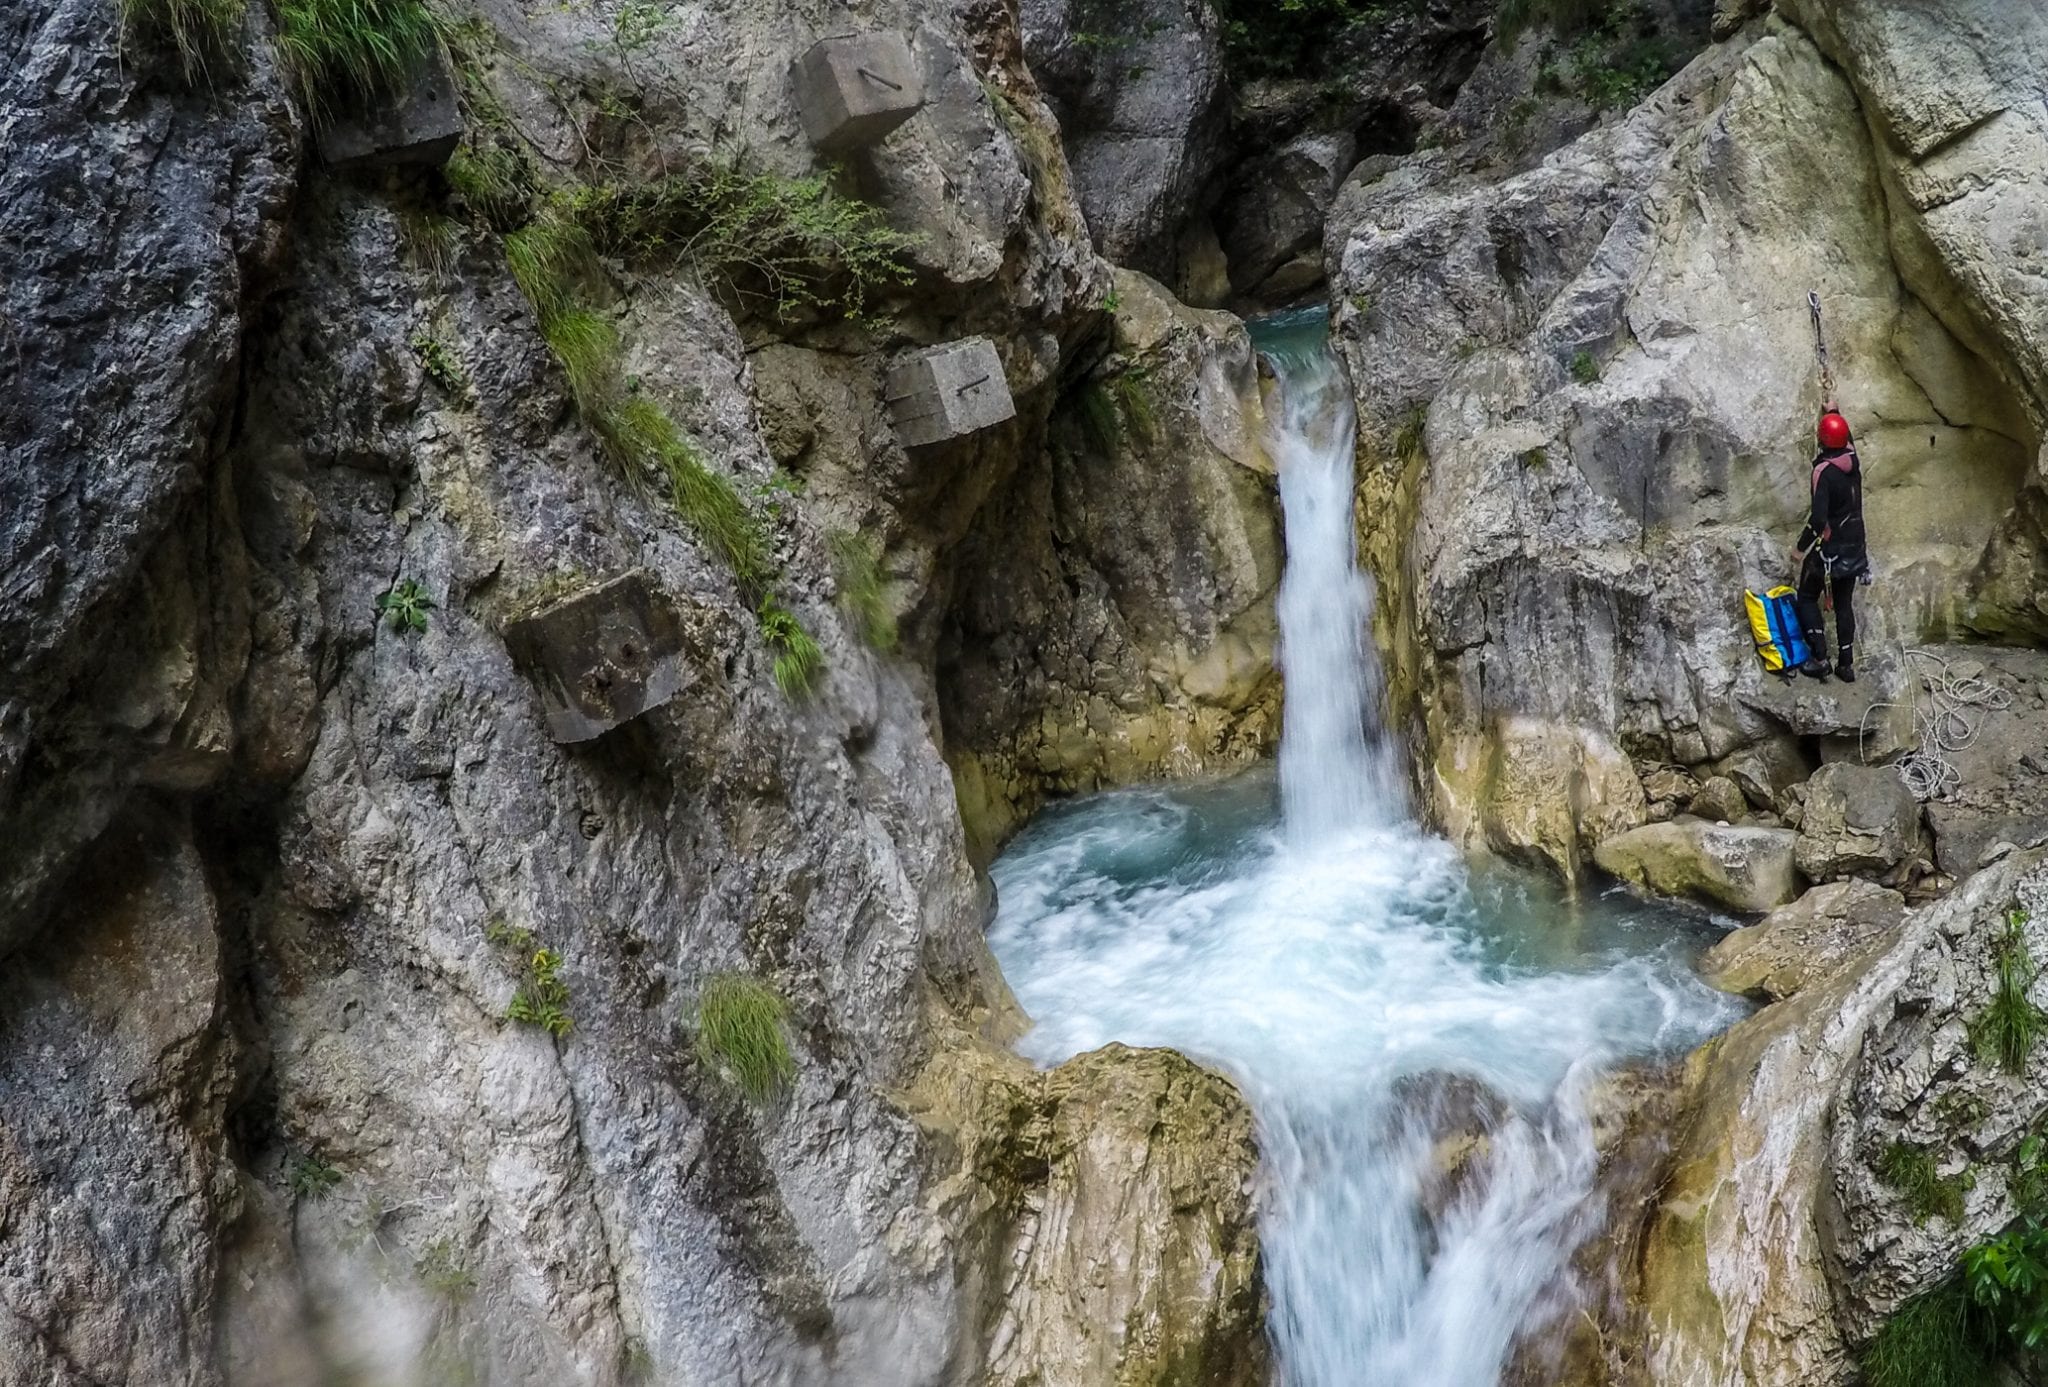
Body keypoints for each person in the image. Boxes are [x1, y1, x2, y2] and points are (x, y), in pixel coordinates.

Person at [1790, 409, 1868, 681]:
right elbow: (1848, 440)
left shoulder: (1823, 471)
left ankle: (1819, 657)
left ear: (1821, 440)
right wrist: (1833, 409)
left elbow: (1819, 518)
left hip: (1832, 549)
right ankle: (1846, 665)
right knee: (1844, 603)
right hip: (1856, 546)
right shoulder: (1853, 460)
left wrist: (1800, 549)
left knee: (1808, 596)